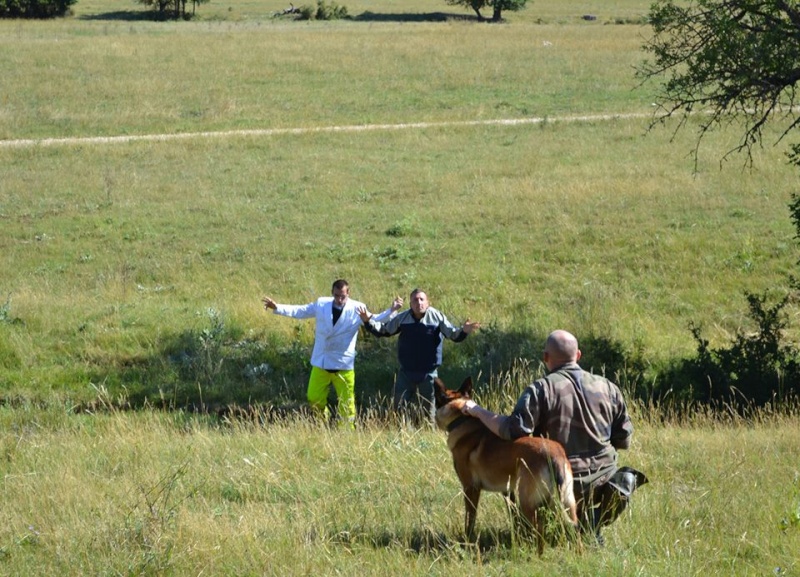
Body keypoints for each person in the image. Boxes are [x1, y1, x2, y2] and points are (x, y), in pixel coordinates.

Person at [460, 329, 647, 545]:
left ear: (545, 358)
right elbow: (624, 441)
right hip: (602, 483)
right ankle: (591, 523)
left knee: (524, 511)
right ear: (578, 355)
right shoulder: (609, 388)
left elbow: (513, 431)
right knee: (624, 478)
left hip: (558, 483)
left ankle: (561, 528)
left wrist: (477, 410)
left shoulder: (541, 389)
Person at [262, 279, 402, 429]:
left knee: (347, 403)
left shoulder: (357, 308)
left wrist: (392, 310)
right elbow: (301, 311)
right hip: (321, 361)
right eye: (336, 295)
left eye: (343, 296)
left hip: (344, 365)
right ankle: (321, 423)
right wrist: (277, 307)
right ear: (332, 293)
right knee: (313, 397)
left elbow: (376, 319)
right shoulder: (321, 304)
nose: (339, 299)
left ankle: (346, 431)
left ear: (348, 293)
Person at [358, 288, 481, 425]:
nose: (419, 303)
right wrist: (367, 322)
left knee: (429, 412)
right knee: (397, 408)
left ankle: (429, 436)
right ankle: (403, 435)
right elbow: (384, 330)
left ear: (428, 303)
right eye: (415, 300)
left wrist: (463, 331)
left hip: (428, 373)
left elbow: (453, 334)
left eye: (422, 299)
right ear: (410, 304)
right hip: (406, 372)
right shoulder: (402, 318)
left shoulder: (436, 317)